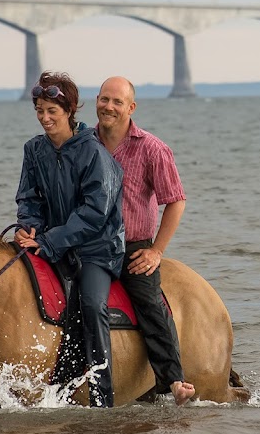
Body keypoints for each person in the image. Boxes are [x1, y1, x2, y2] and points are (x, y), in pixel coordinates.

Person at [15, 71, 125, 407]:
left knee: (91, 305)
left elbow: (95, 212)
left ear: (70, 111)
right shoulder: (34, 149)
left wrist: (49, 242)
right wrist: (29, 227)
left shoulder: (93, 152)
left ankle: (102, 397)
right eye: (39, 110)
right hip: (51, 242)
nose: (45, 118)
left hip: (97, 249)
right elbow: (27, 197)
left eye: (52, 111)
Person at [94, 76, 195, 406]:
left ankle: (174, 380)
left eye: (117, 101)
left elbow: (176, 200)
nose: (109, 106)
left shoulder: (152, 148)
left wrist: (156, 251)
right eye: (104, 99)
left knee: (150, 303)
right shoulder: (84, 144)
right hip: (90, 244)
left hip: (134, 246)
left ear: (131, 108)